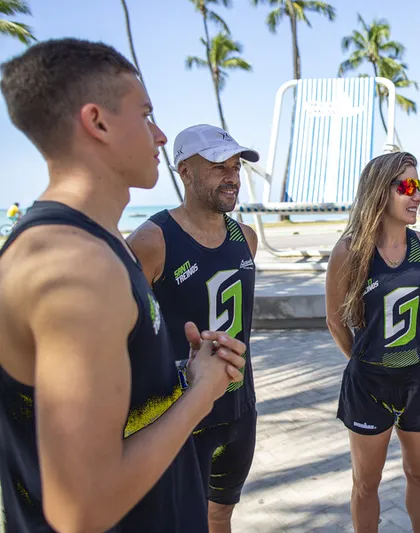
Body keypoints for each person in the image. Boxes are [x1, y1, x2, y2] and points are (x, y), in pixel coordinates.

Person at [0, 38, 246, 532]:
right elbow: (81, 508)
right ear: (98, 122)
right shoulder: (74, 265)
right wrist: (202, 393)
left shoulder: (99, 242)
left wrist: (182, 374)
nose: (160, 135)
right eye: (146, 115)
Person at [127, 124, 260, 533]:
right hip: (181, 419)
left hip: (240, 410)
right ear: (184, 171)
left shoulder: (247, 238)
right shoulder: (151, 241)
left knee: (220, 516)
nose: (232, 176)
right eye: (219, 166)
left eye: (236, 166)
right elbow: (121, 338)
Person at [325, 152, 420, 533]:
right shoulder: (349, 252)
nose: (417, 196)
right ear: (380, 191)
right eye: (407, 186)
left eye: (418, 186)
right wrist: (364, 360)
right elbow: (335, 321)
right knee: (365, 483)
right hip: (368, 386)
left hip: (419, 382)